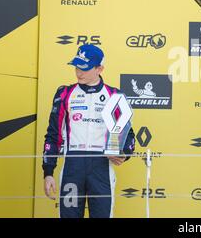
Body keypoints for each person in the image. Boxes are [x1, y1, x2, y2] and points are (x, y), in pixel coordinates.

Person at [42, 44, 135, 218]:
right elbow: (53, 135)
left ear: (100, 68)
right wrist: (48, 172)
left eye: (84, 68)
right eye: (77, 67)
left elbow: (128, 135)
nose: (79, 73)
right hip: (72, 165)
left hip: (101, 167)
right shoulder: (65, 94)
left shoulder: (114, 95)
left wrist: (124, 153)